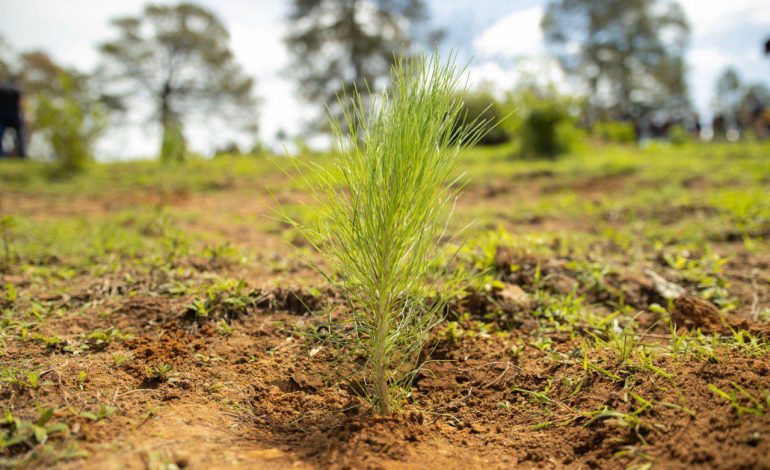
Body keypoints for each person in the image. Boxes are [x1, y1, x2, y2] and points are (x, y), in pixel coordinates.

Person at [0, 78, 26, 157]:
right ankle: (21, 153)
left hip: (2, 116)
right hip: (13, 116)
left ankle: (1, 153)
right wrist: (24, 116)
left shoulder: (2, 90)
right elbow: (21, 103)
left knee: (1, 134)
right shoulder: (16, 91)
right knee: (19, 135)